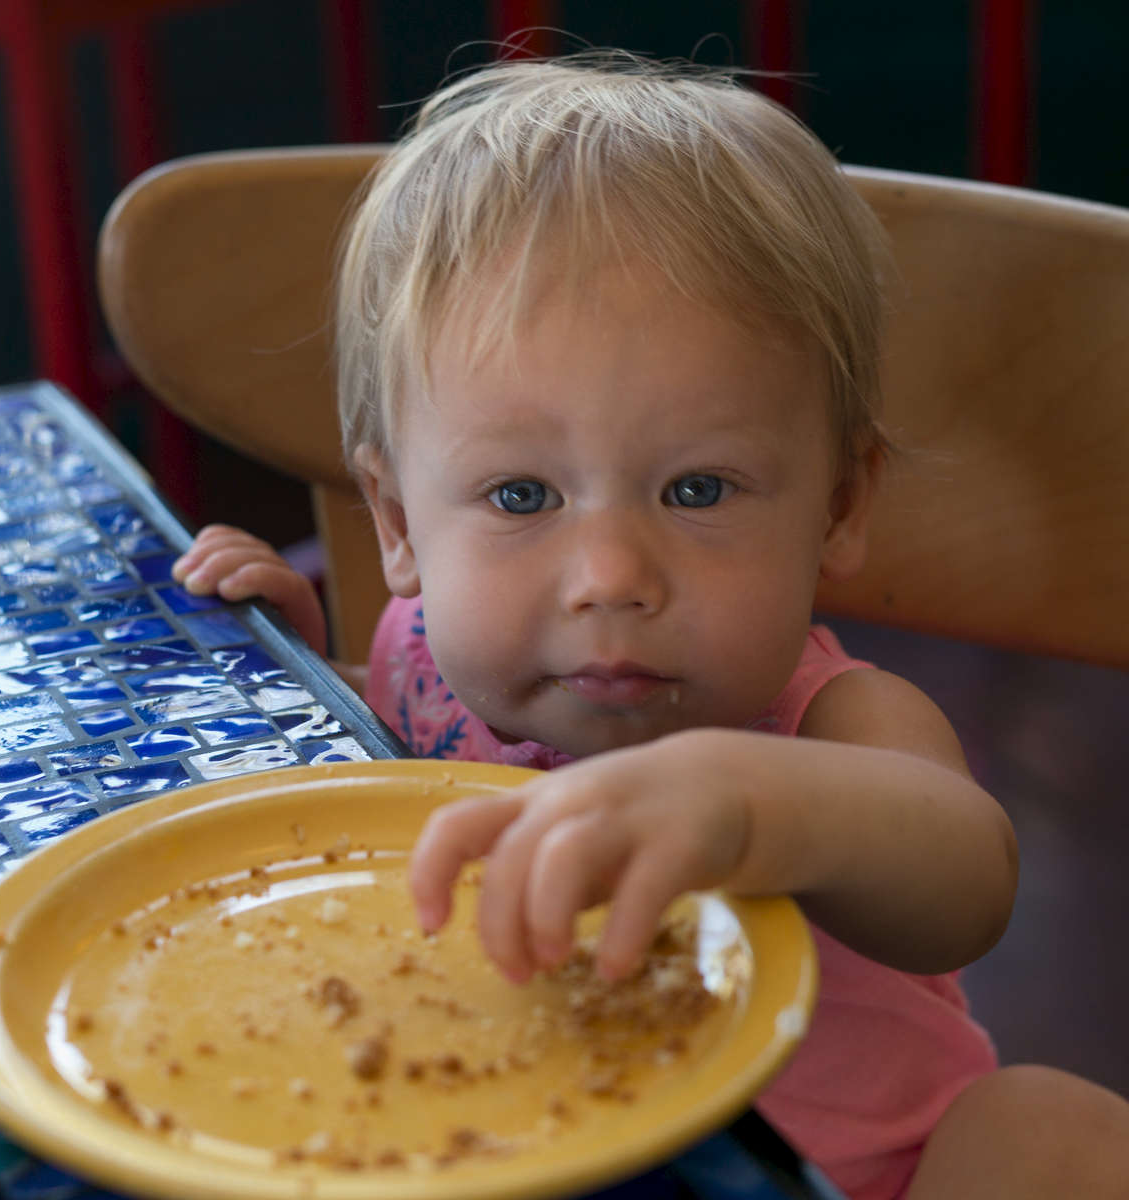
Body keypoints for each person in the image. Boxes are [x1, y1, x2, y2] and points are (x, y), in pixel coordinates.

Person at [172, 52, 1129, 1199]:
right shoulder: (424, 662)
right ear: (398, 523)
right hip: (499, 1140)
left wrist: (746, 809)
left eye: (697, 491)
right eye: (522, 497)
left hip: (859, 1179)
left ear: (837, 507)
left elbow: (965, 880)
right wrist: (294, 677)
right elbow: (396, 801)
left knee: (1045, 1130)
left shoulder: (829, 727)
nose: (611, 577)